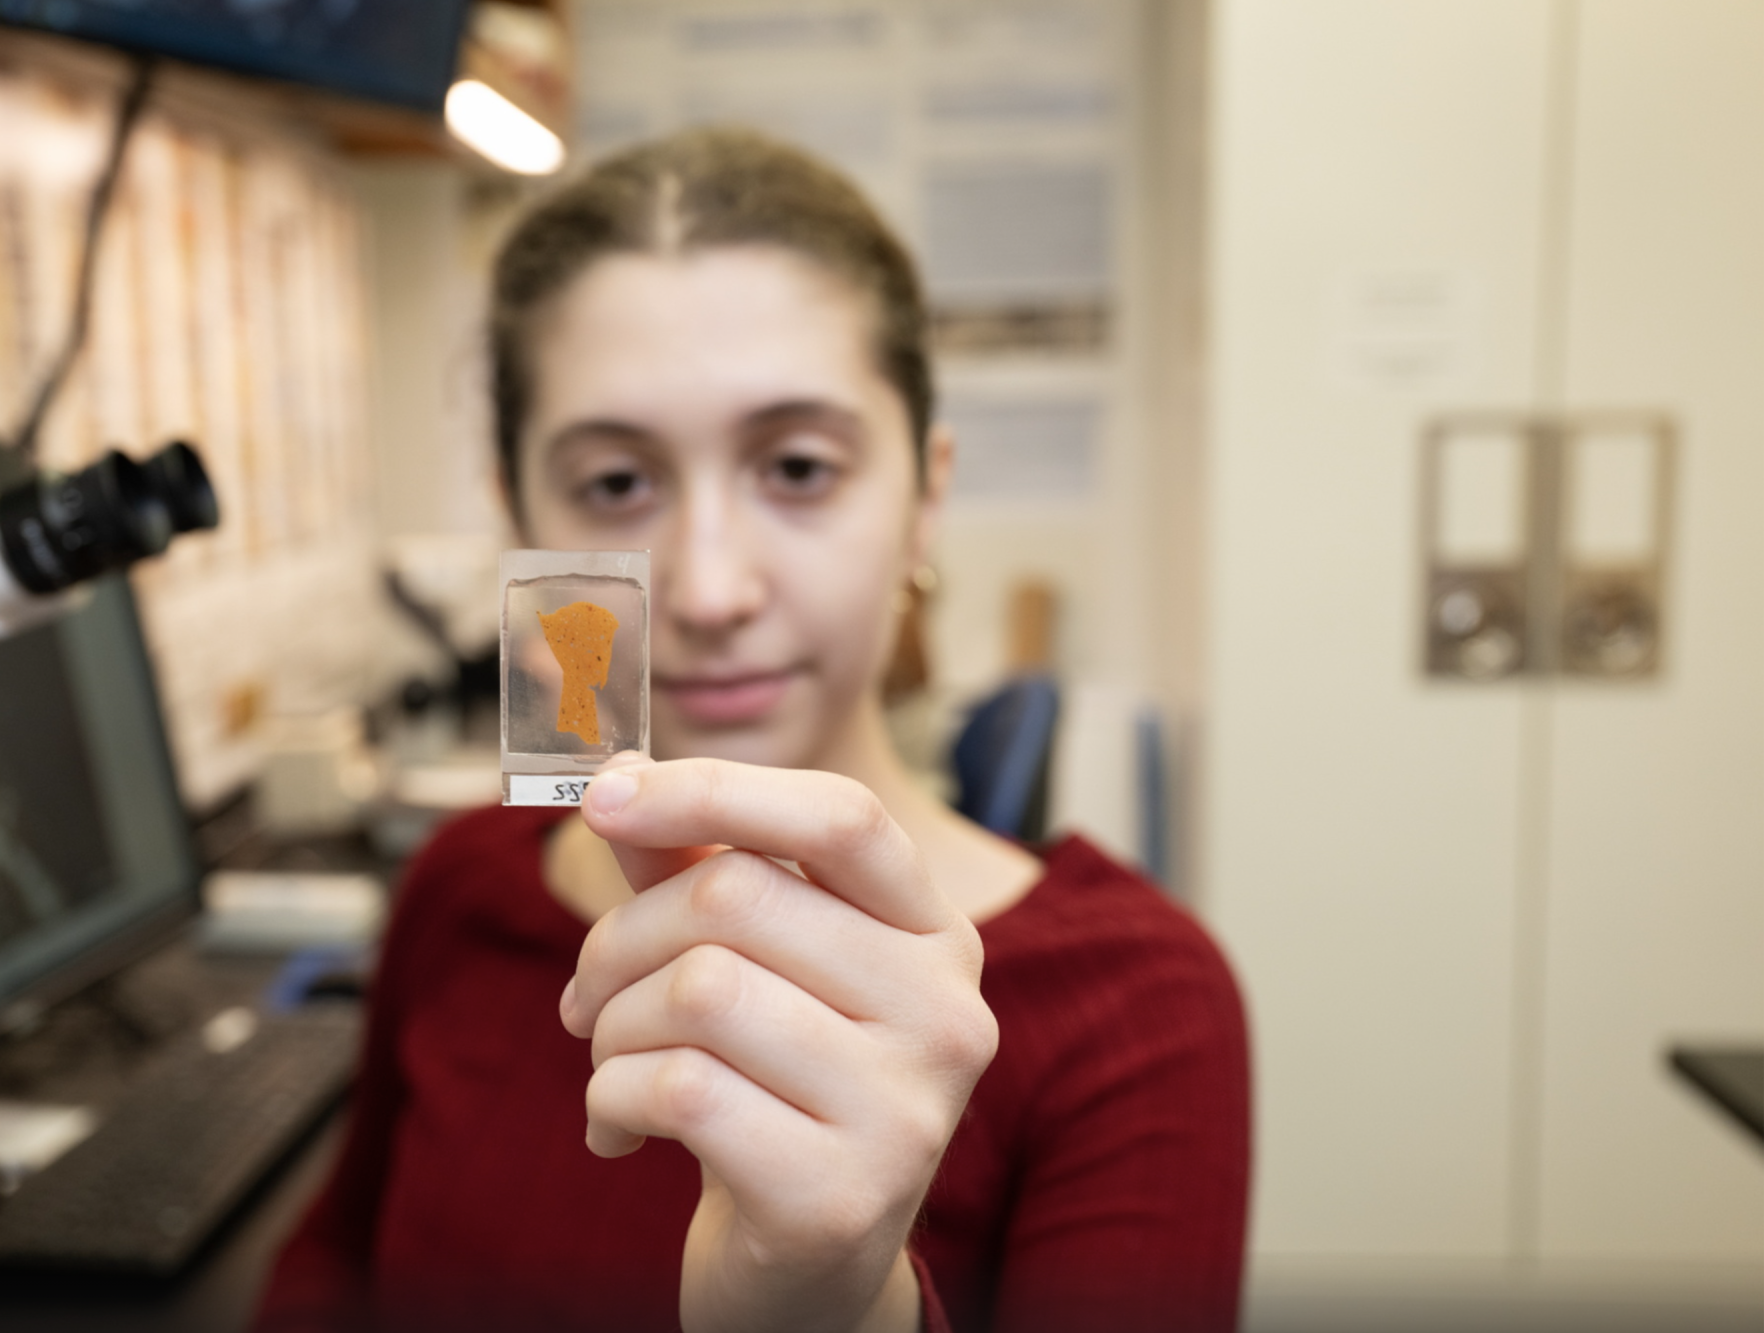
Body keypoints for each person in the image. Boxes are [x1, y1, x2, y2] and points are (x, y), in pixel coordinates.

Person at [257, 127, 1248, 1333]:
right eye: (616, 483)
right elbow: (327, 1272)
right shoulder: (464, 881)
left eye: (795, 466)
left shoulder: (1136, 1005)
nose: (712, 589)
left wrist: (830, 1307)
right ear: (522, 516)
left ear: (924, 498)